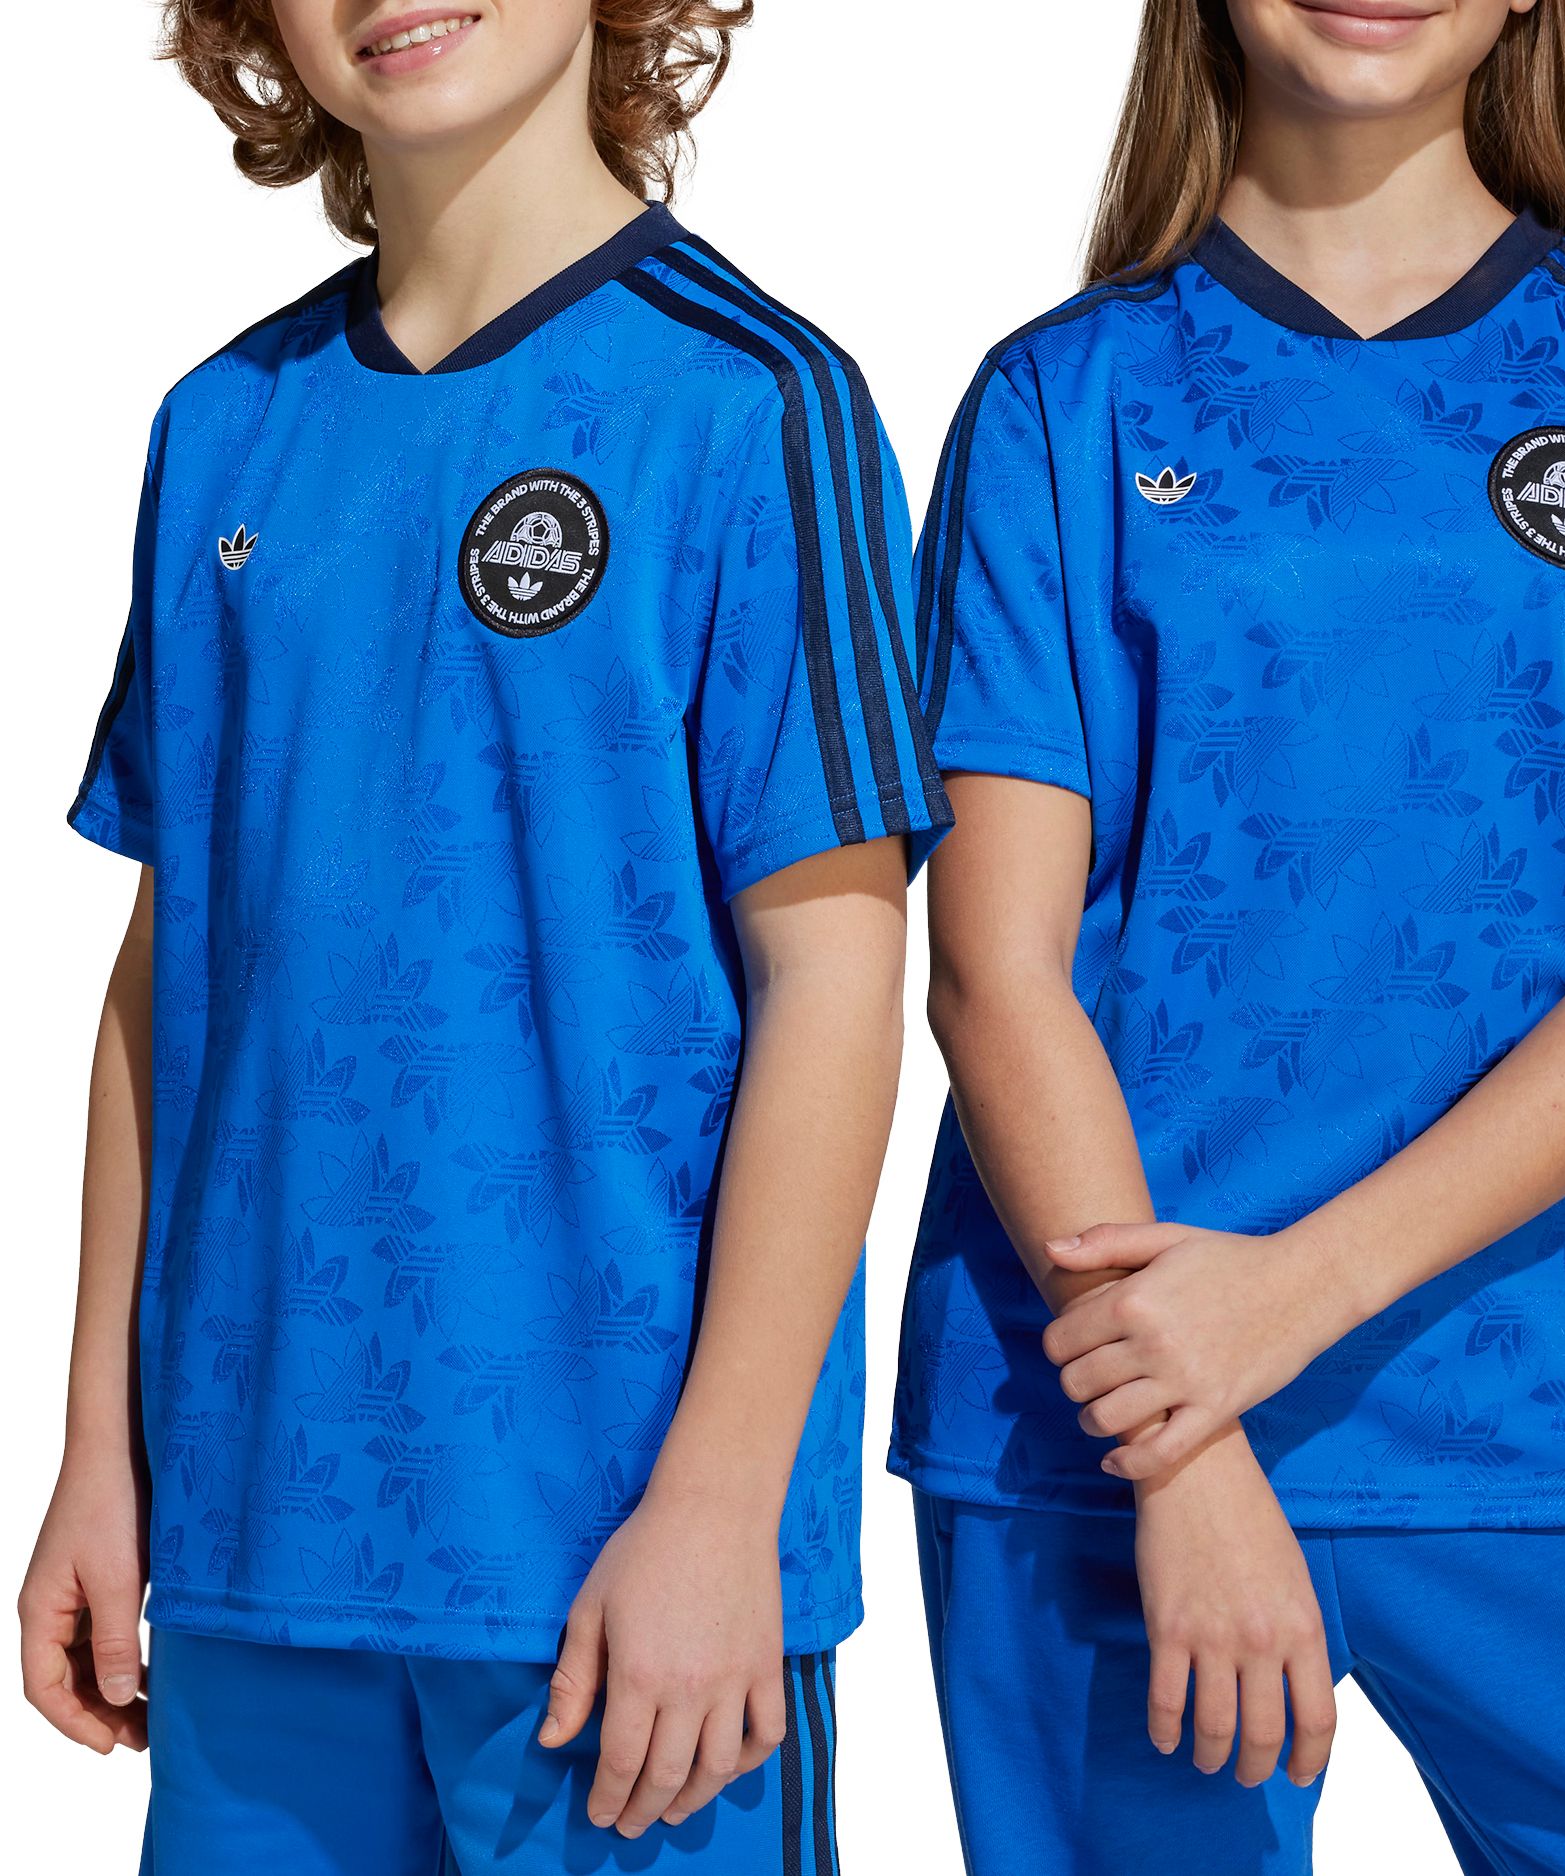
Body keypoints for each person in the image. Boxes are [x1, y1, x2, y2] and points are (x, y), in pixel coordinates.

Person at [892, 2, 1565, 1871]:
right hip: (1092, 1424)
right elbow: (990, 973)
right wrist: (1182, 1439)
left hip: (1530, 1401)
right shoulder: (1061, 398)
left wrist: (1286, 1301)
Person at [20, 3, 947, 1871]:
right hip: (251, 1534)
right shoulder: (225, 426)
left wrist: (720, 1510)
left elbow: (835, 987)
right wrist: (97, 1451)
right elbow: (164, 983)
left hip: (618, 1564)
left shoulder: (754, 405)